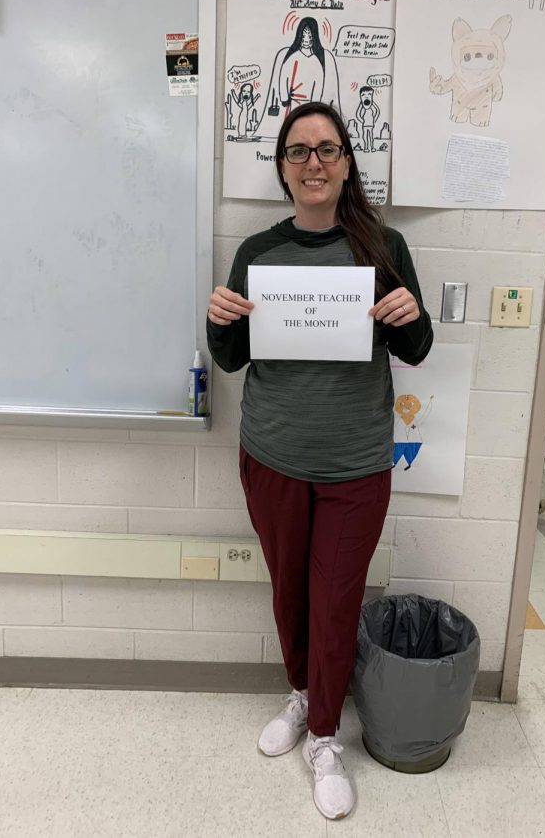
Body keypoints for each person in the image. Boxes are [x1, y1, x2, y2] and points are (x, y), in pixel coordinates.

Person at [207, 101, 432, 820]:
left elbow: (415, 349)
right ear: (281, 166)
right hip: (272, 454)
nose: (314, 162)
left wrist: (411, 317)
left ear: (346, 163)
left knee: (336, 600)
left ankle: (327, 737)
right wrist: (217, 325)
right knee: (288, 592)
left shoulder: (384, 246)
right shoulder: (256, 252)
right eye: (299, 151)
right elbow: (235, 359)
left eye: (327, 150)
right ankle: (305, 696)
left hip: (355, 463)